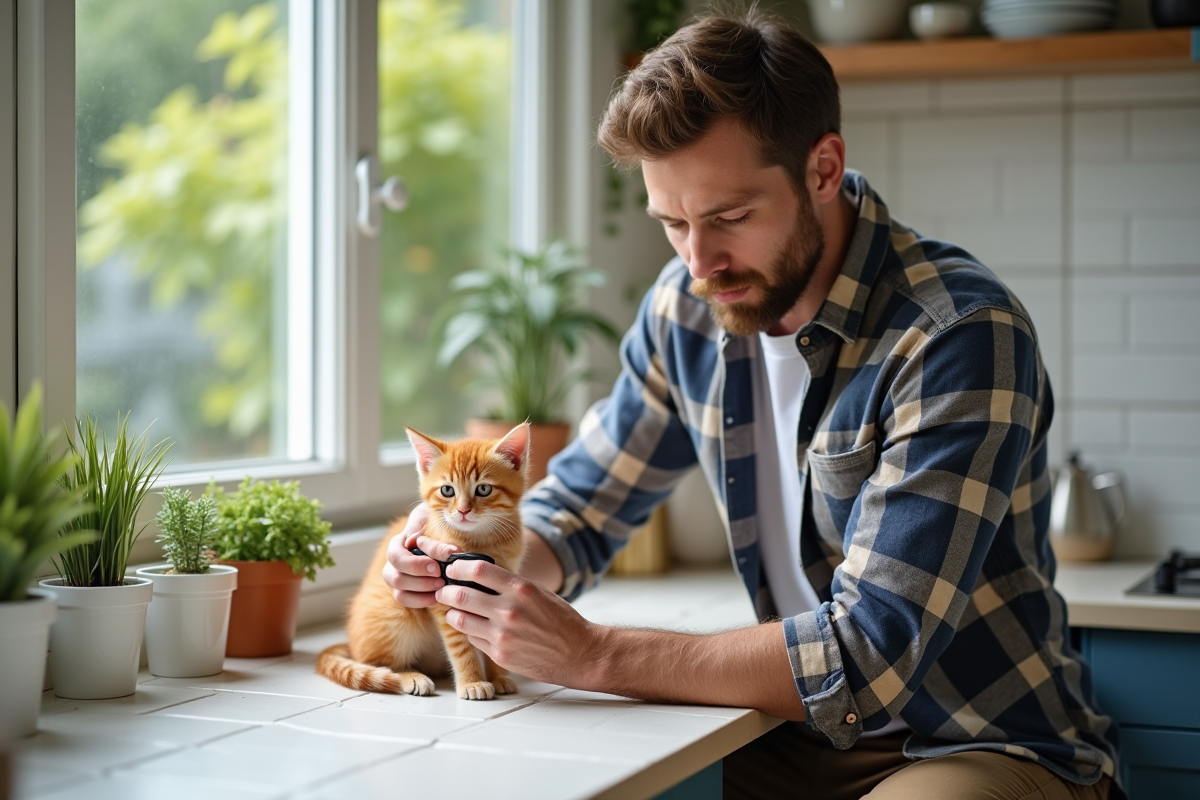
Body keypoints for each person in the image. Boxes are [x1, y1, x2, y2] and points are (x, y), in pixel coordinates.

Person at [383, 8, 1123, 799]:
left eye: (730, 217)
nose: (699, 262)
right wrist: (464, 569)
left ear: (823, 168)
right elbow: (579, 512)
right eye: (672, 223)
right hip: (784, 730)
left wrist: (594, 653)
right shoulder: (685, 308)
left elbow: (870, 655)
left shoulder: (956, 336)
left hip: (973, 742)